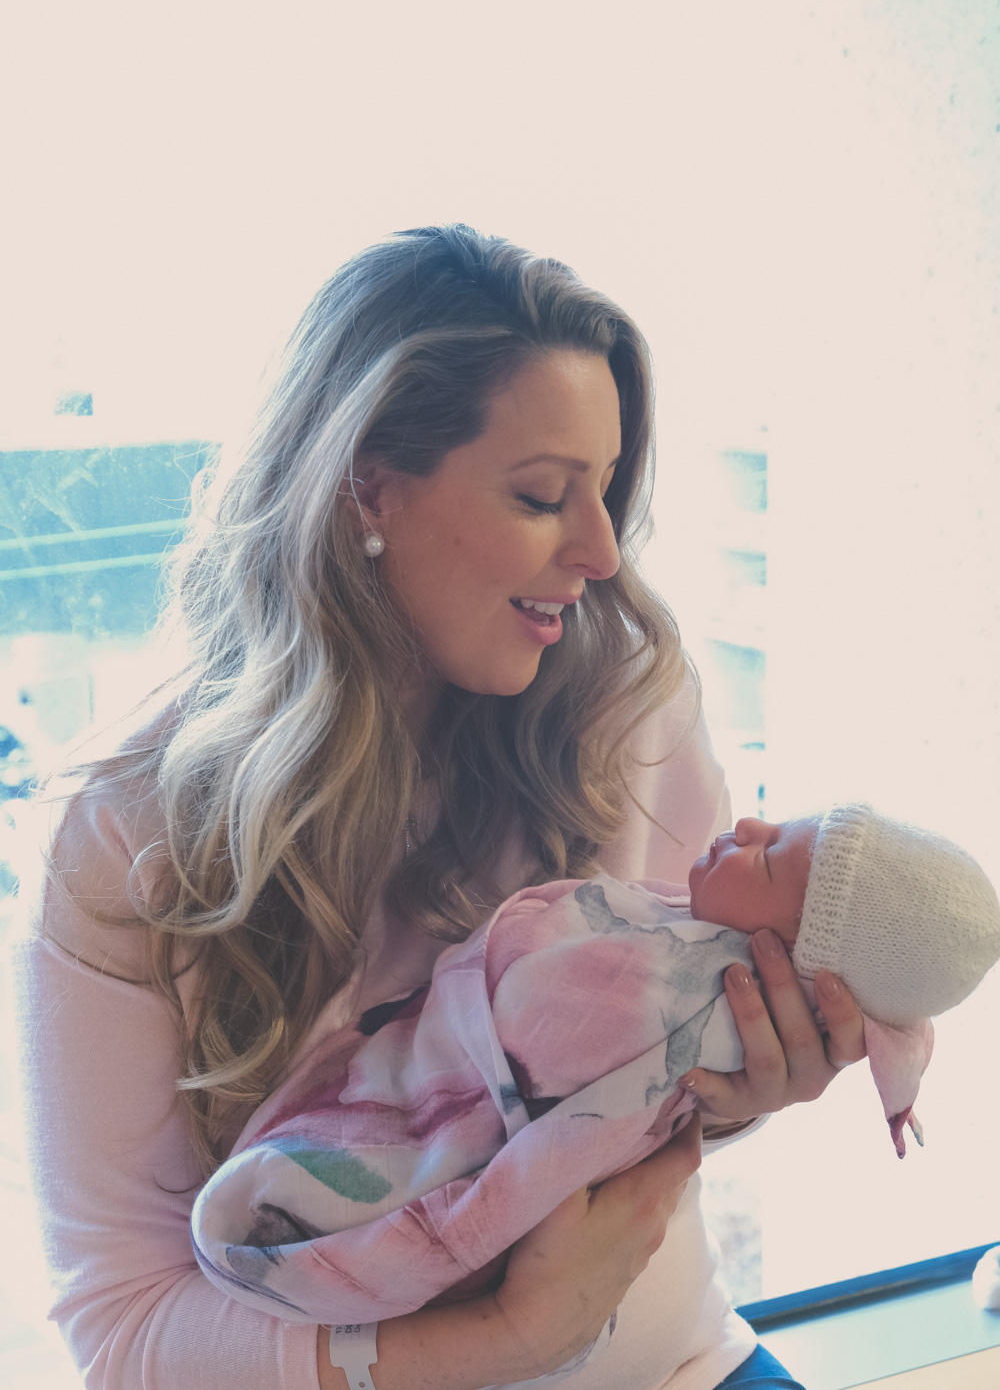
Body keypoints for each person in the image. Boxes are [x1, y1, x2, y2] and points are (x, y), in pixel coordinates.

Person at [11, 225, 868, 1390]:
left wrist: (741, 1093)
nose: (603, 552)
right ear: (368, 483)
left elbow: (638, 1098)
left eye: (607, 492)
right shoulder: (129, 830)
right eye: (540, 496)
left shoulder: (630, 709)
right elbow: (121, 1330)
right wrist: (502, 1344)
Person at [190, 803, 1000, 1328]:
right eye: (775, 825)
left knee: (341, 1179)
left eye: (770, 859)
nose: (745, 825)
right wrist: (510, 1342)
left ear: (796, 960)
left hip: (675, 1344)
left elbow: (577, 1077)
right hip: (505, 1320)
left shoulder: (701, 992)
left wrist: (738, 1101)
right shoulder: (699, 922)